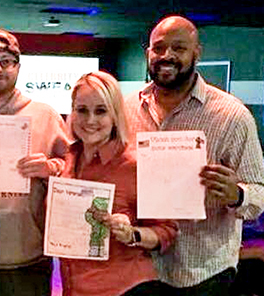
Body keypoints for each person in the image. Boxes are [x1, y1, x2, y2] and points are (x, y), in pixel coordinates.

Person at [125, 15, 264, 295]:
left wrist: (237, 195)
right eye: (159, 48)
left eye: (178, 48)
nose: (166, 56)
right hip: (140, 267)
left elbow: (260, 192)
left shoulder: (232, 116)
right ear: (148, 54)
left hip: (204, 272)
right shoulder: (127, 109)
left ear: (196, 53)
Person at [0, 28, 69, 296]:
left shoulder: (45, 115)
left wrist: (51, 168)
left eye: (6, 61)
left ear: (18, 67)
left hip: (28, 258)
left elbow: (78, 171)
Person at [60, 71, 178, 296]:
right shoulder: (70, 157)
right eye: (82, 110)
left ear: (115, 115)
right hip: (73, 287)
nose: (90, 120)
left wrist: (132, 234)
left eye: (101, 111)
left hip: (123, 288)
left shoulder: (137, 165)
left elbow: (167, 230)